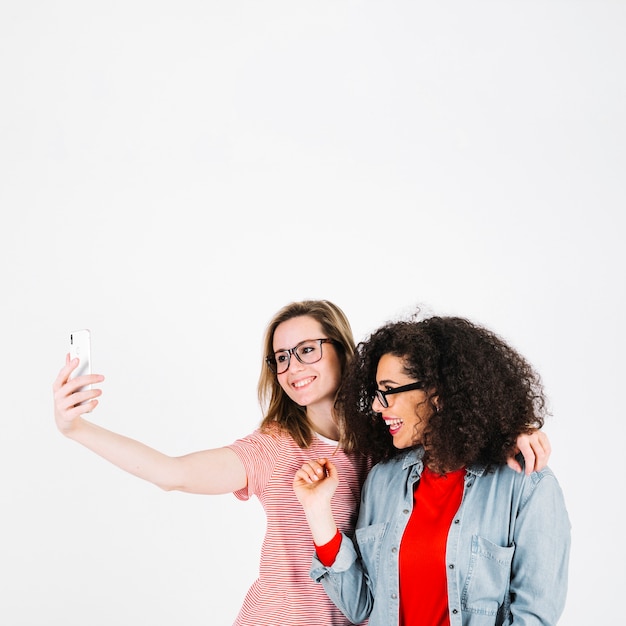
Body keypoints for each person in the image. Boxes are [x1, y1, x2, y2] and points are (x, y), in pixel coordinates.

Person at [53, 301, 552, 626]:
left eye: (307, 350)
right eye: (281, 358)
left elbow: (445, 419)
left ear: (342, 350)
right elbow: (172, 473)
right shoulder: (274, 447)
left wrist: (508, 430)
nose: (293, 367)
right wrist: (78, 429)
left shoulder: (387, 442)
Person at [294, 313, 570, 626]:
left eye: (389, 389)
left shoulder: (526, 485)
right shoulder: (383, 481)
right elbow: (362, 607)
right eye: (376, 392)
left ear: (437, 395)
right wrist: (318, 511)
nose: (375, 406)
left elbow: (534, 616)